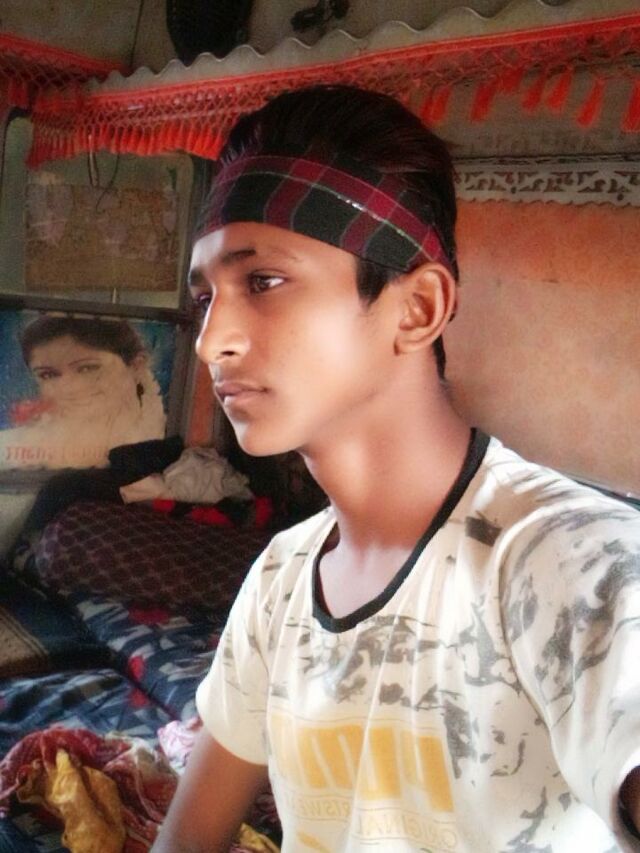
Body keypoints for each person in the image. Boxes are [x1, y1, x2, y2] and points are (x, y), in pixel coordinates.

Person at [152, 85, 640, 852]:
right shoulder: (281, 579)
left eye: (263, 282)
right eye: (206, 296)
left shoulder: (569, 559)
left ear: (417, 309)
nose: (213, 342)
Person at [0, 315, 166, 469]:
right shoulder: (9, 449)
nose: (68, 388)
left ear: (136, 366)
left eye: (87, 368)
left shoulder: (168, 440)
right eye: (48, 375)